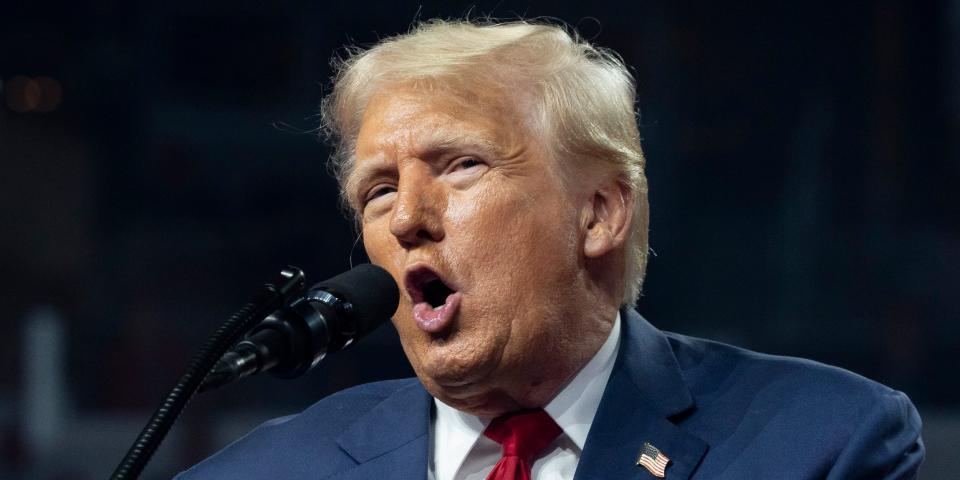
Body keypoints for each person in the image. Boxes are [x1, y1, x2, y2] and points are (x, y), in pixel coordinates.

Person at [177, 19, 923, 479]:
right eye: (376, 191)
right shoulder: (263, 472)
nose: (406, 217)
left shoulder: (821, 444)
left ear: (598, 213)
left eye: (461, 164)